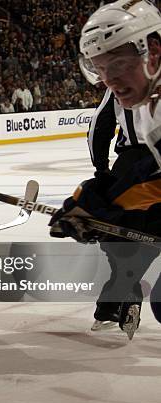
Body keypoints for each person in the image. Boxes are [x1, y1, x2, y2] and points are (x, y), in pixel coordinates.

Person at [50, 0, 161, 338]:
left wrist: (110, 204)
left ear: (153, 51)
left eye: (119, 64)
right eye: (100, 69)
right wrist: (107, 201)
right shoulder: (147, 105)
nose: (110, 80)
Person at [86, 87, 157, 331]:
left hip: (127, 167)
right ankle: (122, 300)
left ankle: (110, 305)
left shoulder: (118, 75)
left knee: (121, 240)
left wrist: (102, 169)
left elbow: (100, 125)